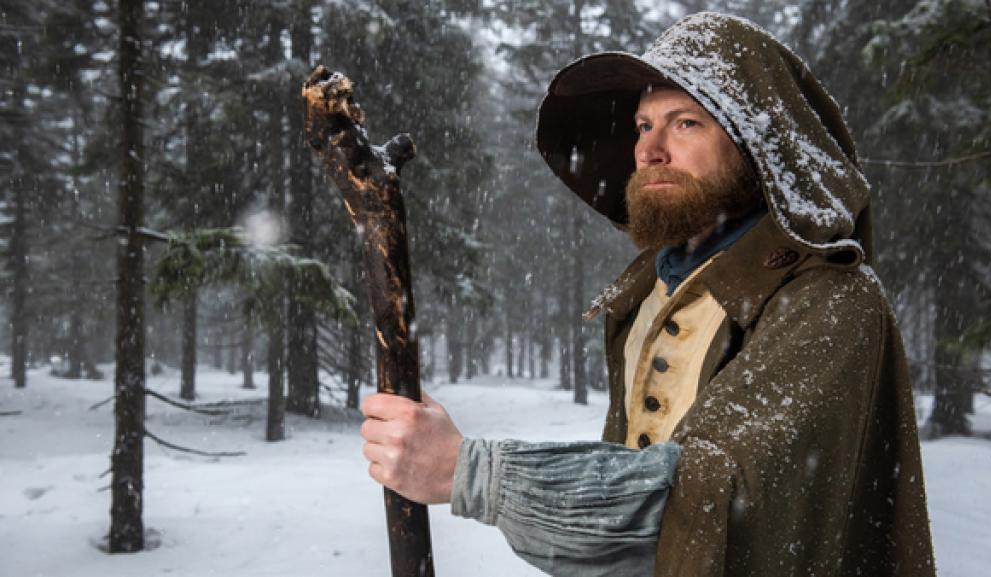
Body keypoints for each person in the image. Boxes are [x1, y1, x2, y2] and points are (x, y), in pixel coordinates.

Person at [360, 12, 936, 577]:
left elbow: (706, 502)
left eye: (685, 123)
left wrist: (471, 472)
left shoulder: (831, 301)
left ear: (756, 143)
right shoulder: (648, 294)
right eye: (643, 126)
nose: (649, 150)